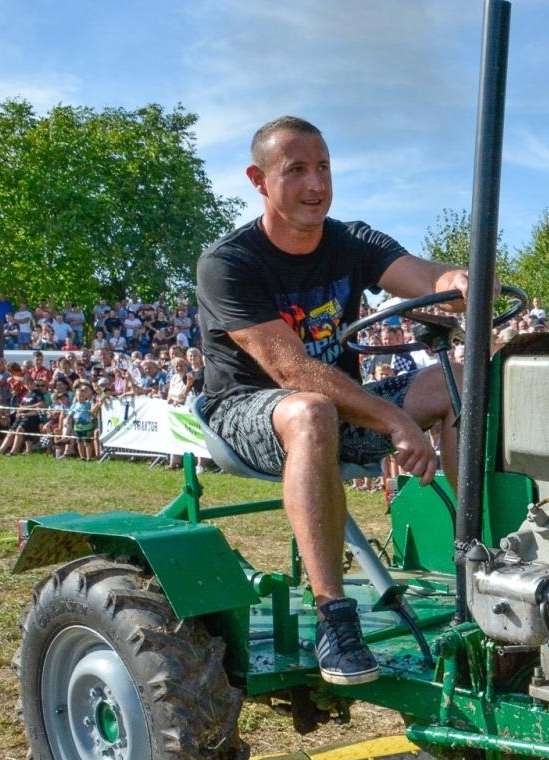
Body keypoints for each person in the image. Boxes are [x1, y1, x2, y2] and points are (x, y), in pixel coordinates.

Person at [195, 115, 478, 685]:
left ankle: (480, 567)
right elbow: (291, 369)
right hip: (247, 410)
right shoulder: (228, 263)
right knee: (310, 409)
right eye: (296, 170)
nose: (316, 184)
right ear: (259, 180)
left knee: (461, 377)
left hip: (340, 405)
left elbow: (427, 276)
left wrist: (459, 282)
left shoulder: (352, 241)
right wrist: (395, 421)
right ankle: (334, 615)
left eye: (323, 167)